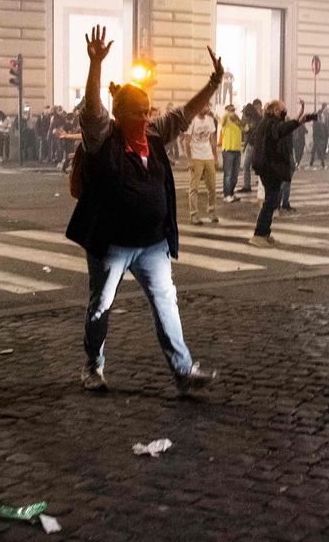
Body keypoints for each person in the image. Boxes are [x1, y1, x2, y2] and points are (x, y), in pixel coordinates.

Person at [67, 25, 221, 395]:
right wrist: (95, 65)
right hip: (112, 243)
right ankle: (92, 366)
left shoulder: (152, 133)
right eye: (140, 112)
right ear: (119, 113)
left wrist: (214, 83)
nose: (147, 116)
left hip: (152, 243)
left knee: (167, 304)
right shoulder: (103, 136)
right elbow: (91, 111)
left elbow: (183, 114)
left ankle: (183, 372)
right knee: (100, 306)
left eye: (149, 110)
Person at [249, 100, 315, 246]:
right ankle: (259, 234)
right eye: (283, 109)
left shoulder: (271, 122)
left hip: (271, 167)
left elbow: (282, 129)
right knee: (271, 201)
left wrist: (300, 119)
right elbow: (280, 130)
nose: (285, 112)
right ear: (275, 111)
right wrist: (298, 121)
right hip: (269, 167)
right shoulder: (270, 123)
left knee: (273, 200)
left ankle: (265, 233)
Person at [185, 103, 219, 224]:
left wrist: (215, 157)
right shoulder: (192, 121)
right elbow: (187, 141)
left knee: (212, 187)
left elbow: (213, 140)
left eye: (207, 107)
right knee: (194, 188)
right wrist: (189, 160)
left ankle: (212, 212)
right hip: (196, 157)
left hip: (208, 156)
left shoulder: (210, 120)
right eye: (204, 106)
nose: (206, 109)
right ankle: (193, 215)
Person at [218, 104, 243, 202]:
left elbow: (245, 128)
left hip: (237, 149)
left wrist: (240, 121)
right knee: (228, 174)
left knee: (235, 175)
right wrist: (227, 114)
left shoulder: (237, 121)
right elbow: (222, 121)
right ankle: (226, 195)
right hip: (228, 149)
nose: (232, 112)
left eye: (233, 110)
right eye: (230, 110)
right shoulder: (225, 119)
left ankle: (231, 193)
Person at [238, 103, 260, 193]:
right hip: (255, 145)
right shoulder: (258, 118)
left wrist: (241, 125)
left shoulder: (253, 120)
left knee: (246, 165)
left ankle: (247, 185)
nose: (244, 114)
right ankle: (257, 184)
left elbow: (247, 130)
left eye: (245, 113)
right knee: (256, 166)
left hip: (252, 144)